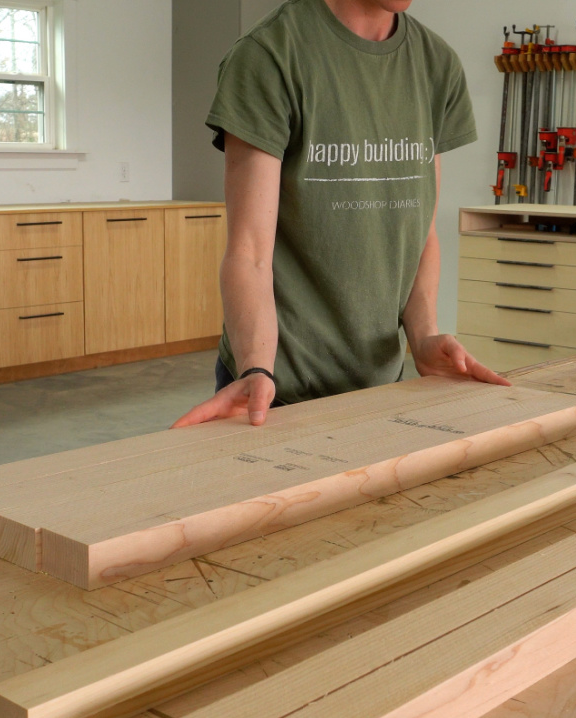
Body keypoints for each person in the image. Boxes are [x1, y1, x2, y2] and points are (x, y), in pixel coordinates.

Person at [173, 0, 508, 430]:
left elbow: (419, 230)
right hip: (276, 390)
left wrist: (423, 336)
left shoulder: (435, 63)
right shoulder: (270, 55)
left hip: (382, 383)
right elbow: (249, 250)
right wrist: (256, 367)